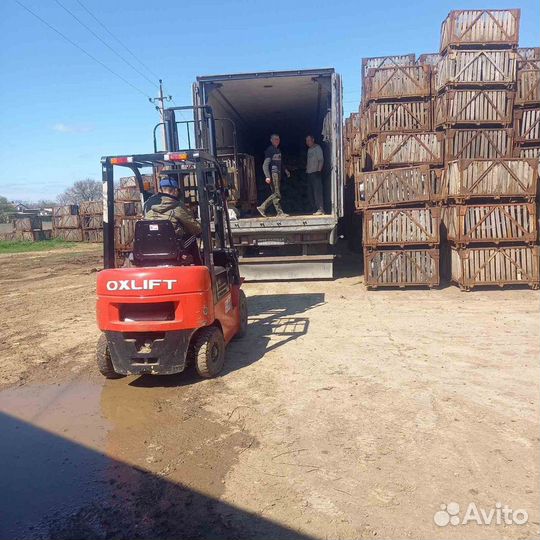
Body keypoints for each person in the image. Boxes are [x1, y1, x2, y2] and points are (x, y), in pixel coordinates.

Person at [143, 176, 202, 263]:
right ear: (174, 191)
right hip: (171, 248)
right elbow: (195, 228)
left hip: (149, 248)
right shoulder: (177, 207)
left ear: (161, 190)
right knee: (192, 237)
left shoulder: (148, 206)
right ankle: (199, 265)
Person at [257, 134, 291, 218]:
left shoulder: (278, 150)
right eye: (275, 139)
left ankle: (279, 213)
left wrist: (285, 170)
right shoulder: (270, 150)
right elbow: (265, 164)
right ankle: (262, 207)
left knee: (275, 193)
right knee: (277, 194)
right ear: (271, 140)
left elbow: (281, 162)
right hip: (274, 174)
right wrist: (267, 176)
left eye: (278, 139)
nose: (277, 141)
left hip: (278, 173)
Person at [305, 135, 325, 215]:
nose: (307, 142)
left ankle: (320, 209)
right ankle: (315, 209)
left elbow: (321, 160)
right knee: (311, 193)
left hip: (316, 173)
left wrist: (319, 170)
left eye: (309, 140)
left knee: (317, 192)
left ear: (313, 139)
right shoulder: (309, 150)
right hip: (309, 173)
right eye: (306, 141)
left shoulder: (317, 148)